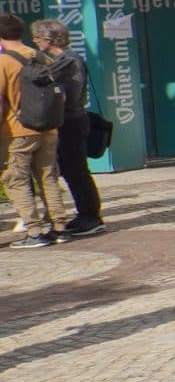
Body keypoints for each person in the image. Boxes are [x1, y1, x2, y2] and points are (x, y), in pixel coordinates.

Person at [2, 14, 74, 249]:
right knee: (48, 177)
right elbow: (60, 94)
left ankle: (34, 231)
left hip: (17, 130)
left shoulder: (3, 62)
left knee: (15, 180)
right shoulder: (40, 56)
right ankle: (59, 227)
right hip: (48, 128)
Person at [30, 19, 105, 235]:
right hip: (69, 120)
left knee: (77, 170)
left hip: (72, 121)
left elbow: (40, 79)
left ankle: (90, 216)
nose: (35, 42)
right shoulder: (65, 59)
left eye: (37, 38)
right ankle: (85, 214)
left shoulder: (68, 60)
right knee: (72, 170)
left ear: (49, 39)